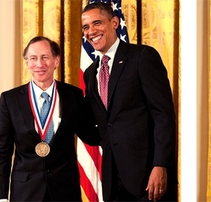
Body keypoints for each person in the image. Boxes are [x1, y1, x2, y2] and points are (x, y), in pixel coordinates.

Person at [81, 2, 177, 201]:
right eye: (86, 27)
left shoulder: (141, 56)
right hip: (112, 179)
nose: (91, 31)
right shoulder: (91, 74)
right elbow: (101, 127)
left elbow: (163, 115)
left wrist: (160, 165)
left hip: (147, 176)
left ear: (114, 22)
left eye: (97, 23)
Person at [0, 36, 100, 201]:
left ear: (56, 61)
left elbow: (91, 135)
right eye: (33, 58)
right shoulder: (10, 100)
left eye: (45, 57)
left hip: (65, 191)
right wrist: (0, 197)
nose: (39, 64)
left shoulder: (73, 96)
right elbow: (2, 151)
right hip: (25, 192)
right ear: (27, 63)